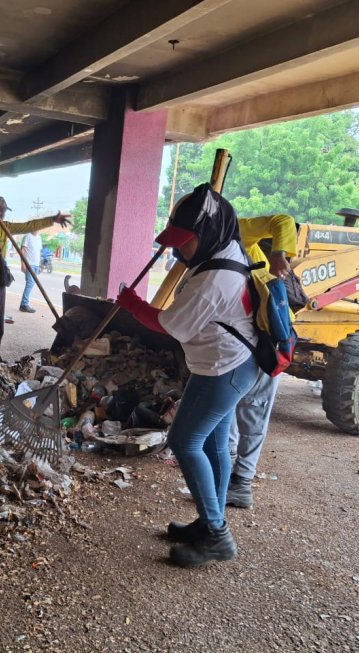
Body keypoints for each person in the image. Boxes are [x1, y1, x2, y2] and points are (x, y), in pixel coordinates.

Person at [116, 184, 259, 567]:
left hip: (226, 368)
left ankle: (216, 535)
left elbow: (169, 325)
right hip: (223, 363)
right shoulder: (221, 253)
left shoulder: (216, 280)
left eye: (186, 241)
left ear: (208, 234)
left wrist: (132, 305)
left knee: (184, 441)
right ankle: (209, 521)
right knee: (212, 444)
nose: (180, 250)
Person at [227, 214, 297, 509]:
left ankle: (241, 482)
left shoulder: (236, 230)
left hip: (268, 336)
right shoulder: (203, 251)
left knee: (253, 409)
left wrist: (278, 254)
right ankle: (225, 476)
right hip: (235, 337)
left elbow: (283, 220)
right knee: (226, 407)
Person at [0, 196, 69, 363]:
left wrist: (52, 219)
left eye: (4, 211)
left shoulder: (6, 227)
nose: (4, 214)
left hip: (0, 283)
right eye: (1, 211)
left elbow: (28, 225)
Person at [19, 229, 42, 312]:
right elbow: (22, 250)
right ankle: (24, 304)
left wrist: (39, 265)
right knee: (30, 283)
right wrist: (23, 263)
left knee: (31, 284)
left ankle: (24, 304)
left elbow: (38, 252)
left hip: (36, 265)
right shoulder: (27, 236)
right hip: (29, 264)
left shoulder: (39, 237)